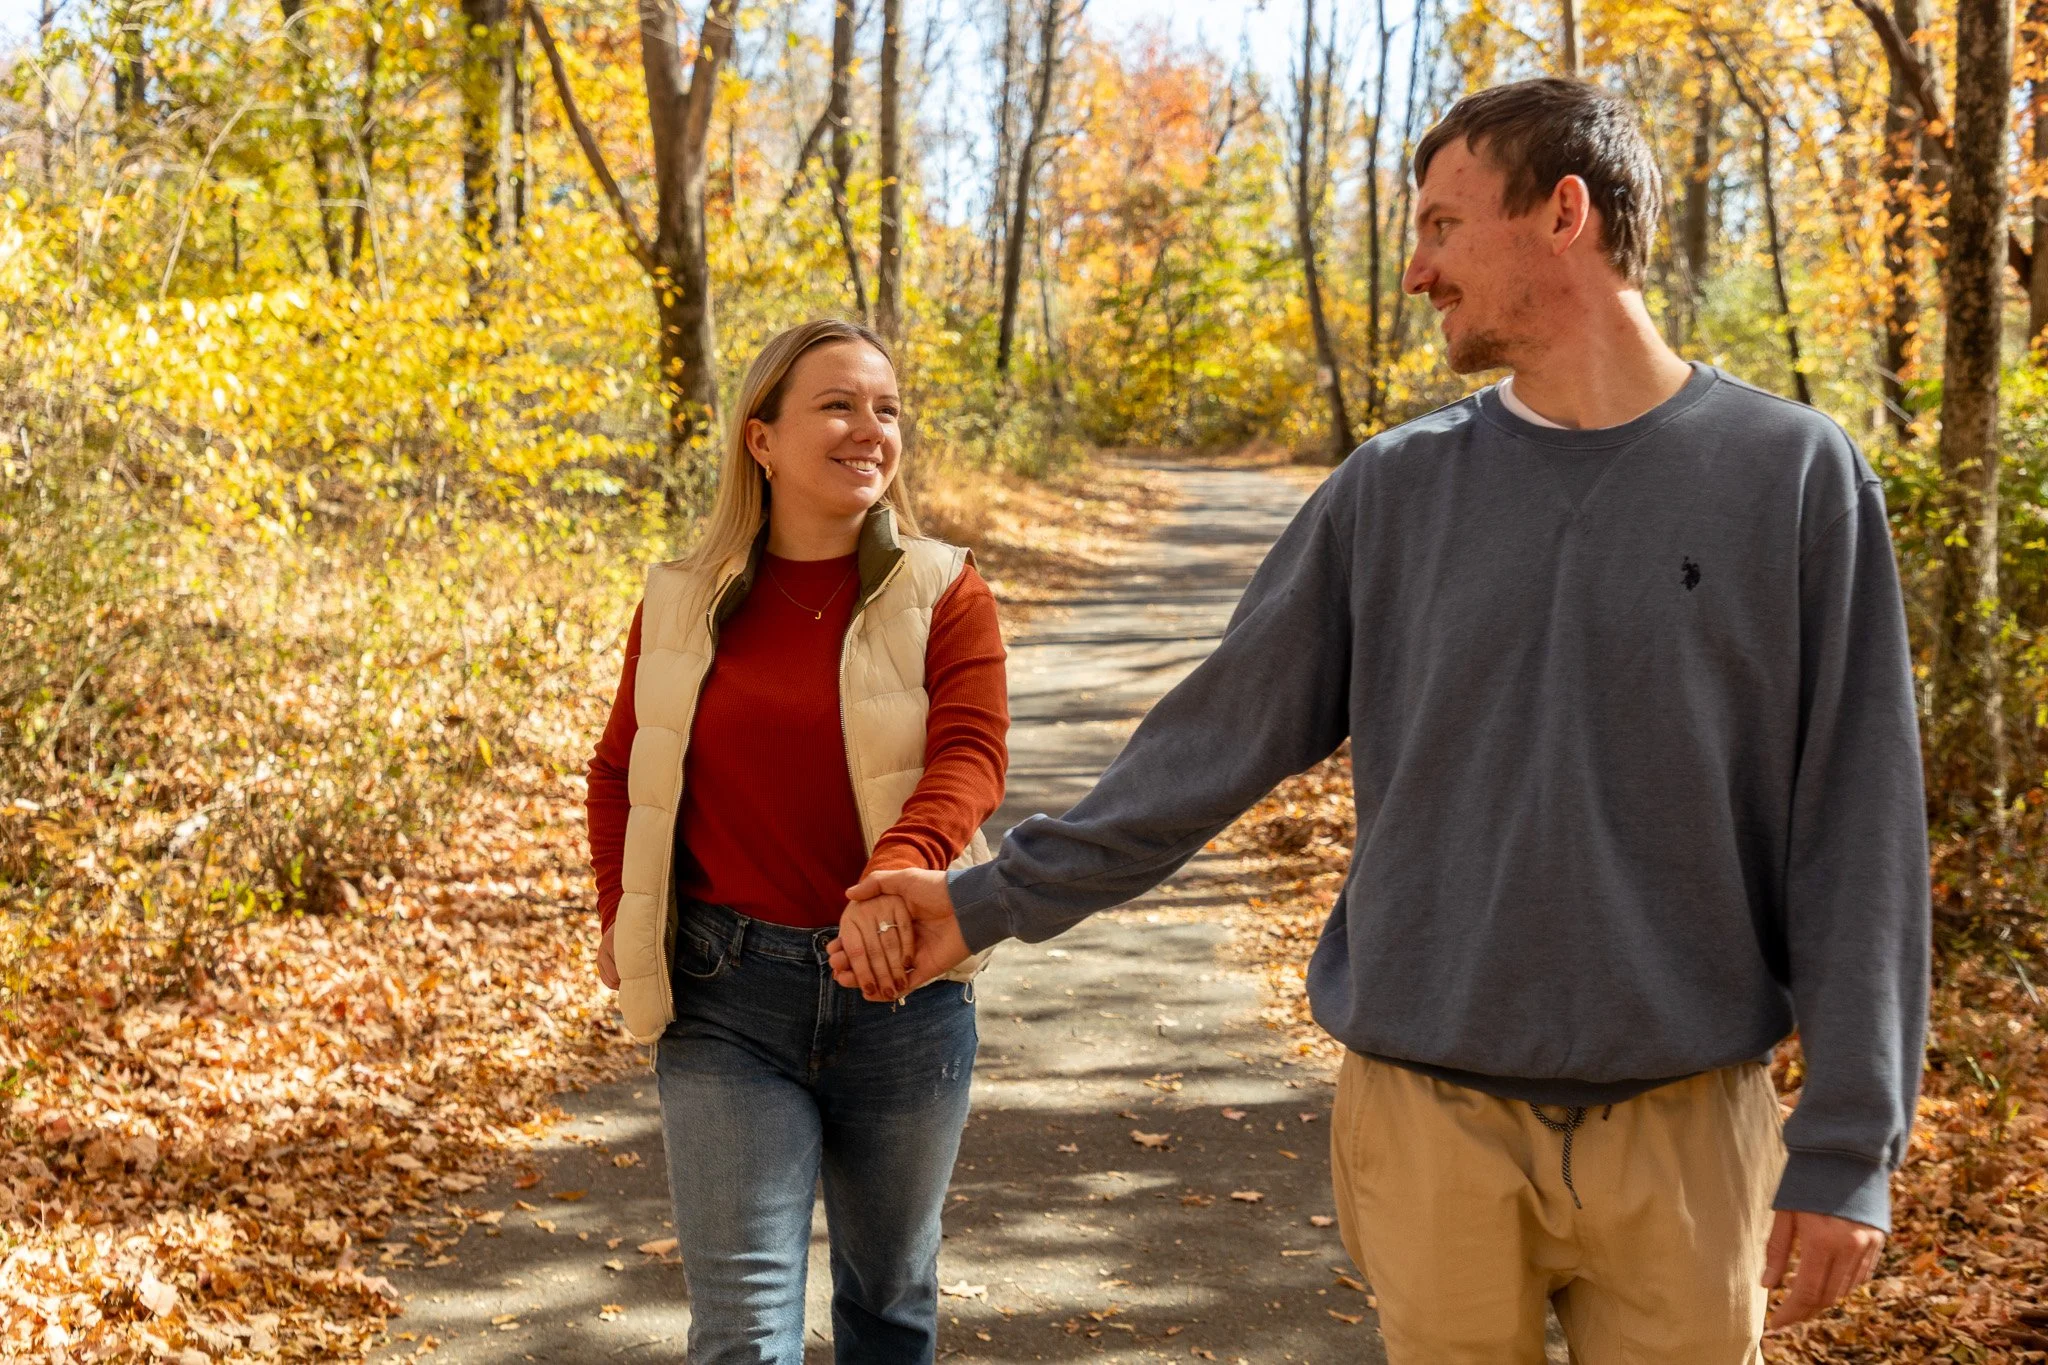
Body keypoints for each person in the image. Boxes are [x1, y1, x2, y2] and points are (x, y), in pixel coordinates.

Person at [831, 79, 1929, 1363]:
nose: (1415, 271)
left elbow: (1858, 827)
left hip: (1687, 1128)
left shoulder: (1792, 476)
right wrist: (978, 904)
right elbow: (1207, 746)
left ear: (1561, 212)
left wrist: (1850, 1143)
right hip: (1427, 1122)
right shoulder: (1393, 493)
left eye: (1441, 226)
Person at [586, 318, 1007, 1364]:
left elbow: (969, 760)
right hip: (725, 995)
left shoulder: (942, 587)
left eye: (886, 408)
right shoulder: (681, 599)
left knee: (889, 1298)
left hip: (903, 990)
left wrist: (888, 883)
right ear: (760, 439)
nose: (870, 428)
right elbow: (616, 774)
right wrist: (615, 911)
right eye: (837, 404)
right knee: (741, 1332)